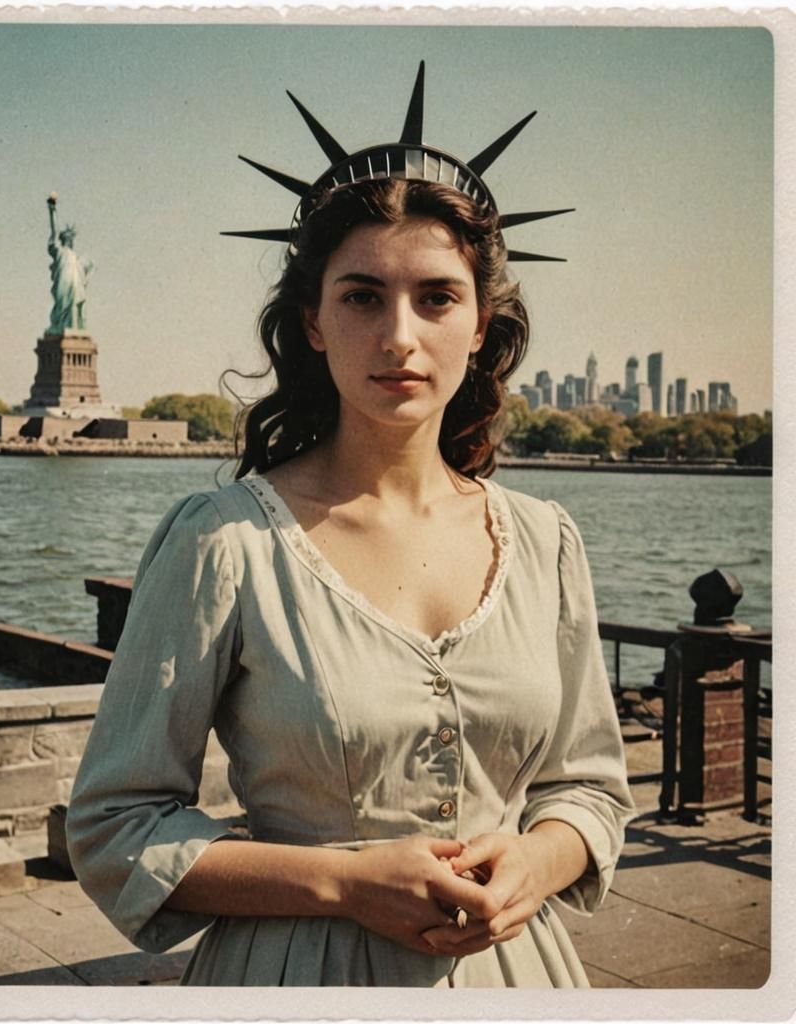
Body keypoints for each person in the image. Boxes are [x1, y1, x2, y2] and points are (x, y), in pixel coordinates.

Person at [67, 66, 634, 987]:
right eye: (363, 297)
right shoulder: (225, 543)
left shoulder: (544, 542)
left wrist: (538, 860)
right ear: (315, 325)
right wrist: (342, 882)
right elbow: (114, 826)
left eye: (437, 298)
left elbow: (590, 788)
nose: (399, 336)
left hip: (516, 975)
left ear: (483, 326)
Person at [46, 196, 94, 331]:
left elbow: (89, 267)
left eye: (71, 238)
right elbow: (54, 231)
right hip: (63, 283)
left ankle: (73, 327)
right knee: (62, 305)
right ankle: (61, 326)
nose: (70, 240)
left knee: (74, 305)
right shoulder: (58, 250)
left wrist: (87, 277)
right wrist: (52, 211)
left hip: (74, 284)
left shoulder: (75, 258)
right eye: (67, 238)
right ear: (63, 240)